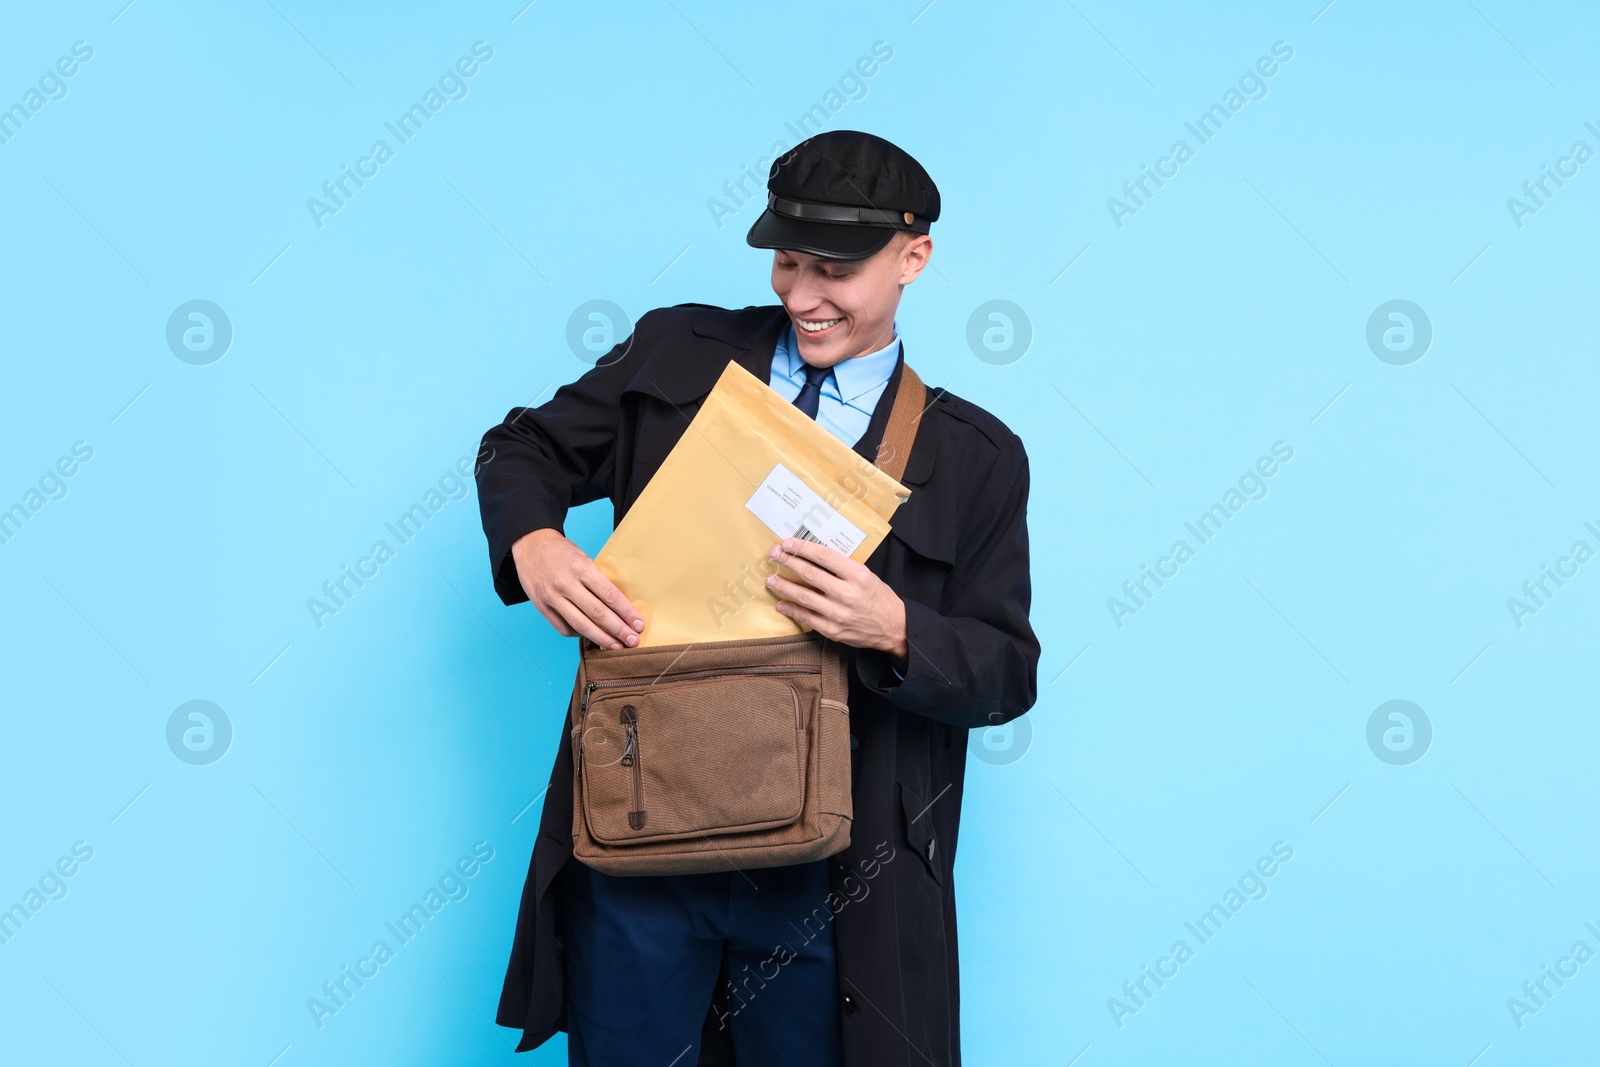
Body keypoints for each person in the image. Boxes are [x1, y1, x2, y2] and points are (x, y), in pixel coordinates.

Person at [475, 129, 1039, 1066]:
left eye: (835, 271)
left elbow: (1007, 673)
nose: (802, 296)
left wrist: (896, 628)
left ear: (914, 259)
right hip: (644, 826)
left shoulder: (975, 455)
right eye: (785, 262)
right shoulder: (679, 351)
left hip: (834, 870)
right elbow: (520, 447)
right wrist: (533, 543)